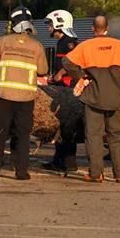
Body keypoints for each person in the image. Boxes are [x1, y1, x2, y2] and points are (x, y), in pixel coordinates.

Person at [62, 15, 120, 183]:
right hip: (114, 97)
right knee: (116, 136)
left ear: (92, 28)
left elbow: (66, 62)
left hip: (93, 97)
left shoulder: (85, 46)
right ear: (107, 29)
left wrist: (81, 76)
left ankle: (96, 173)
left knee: (94, 136)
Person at [0, 6, 49, 180]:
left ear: (13, 24)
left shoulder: (3, 42)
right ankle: (21, 172)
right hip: (26, 98)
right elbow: (43, 70)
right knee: (23, 136)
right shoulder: (37, 46)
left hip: (4, 95)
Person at [41, 9, 82, 174]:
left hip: (67, 89)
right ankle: (61, 160)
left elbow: (72, 61)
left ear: (59, 23)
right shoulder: (67, 40)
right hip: (67, 87)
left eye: (50, 24)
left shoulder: (66, 42)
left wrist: (59, 74)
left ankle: (65, 161)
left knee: (65, 125)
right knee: (65, 126)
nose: (49, 28)